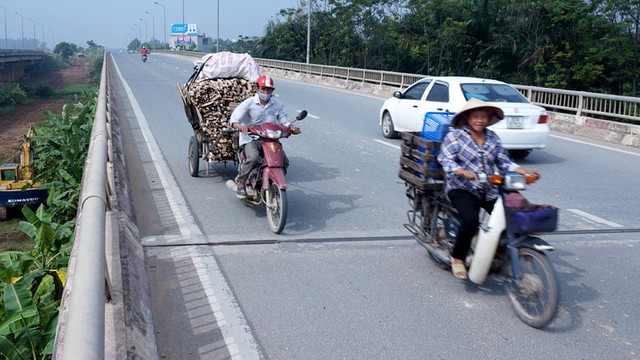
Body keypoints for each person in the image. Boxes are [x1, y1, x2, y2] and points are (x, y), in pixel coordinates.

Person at [437, 98, 540, 280]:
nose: (480, 120)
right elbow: (446, 160)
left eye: (484, 117)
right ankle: (458, 257)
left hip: (489, 188)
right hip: (462, 187)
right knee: (471, 220)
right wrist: (461, 171)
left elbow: (504, 162)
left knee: (516, 214)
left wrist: (524, 172)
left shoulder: (492, 137)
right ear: (468, 117)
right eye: (476, 116)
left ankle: (503, 250)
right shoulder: (455, 136)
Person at [230, 74, 300, 199]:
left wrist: (291, 128)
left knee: (284, 161)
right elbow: (235, 118)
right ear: (257, 88)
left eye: (268, 89)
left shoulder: (277, 104)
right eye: (263, 89)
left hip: (270, 139)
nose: (265, 92)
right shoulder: (249, 103)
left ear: (272, 91)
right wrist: (239, 126)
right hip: (251, 138)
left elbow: (284, 119)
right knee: (254, 157)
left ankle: (274, 182)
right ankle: (241, 182)